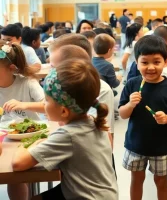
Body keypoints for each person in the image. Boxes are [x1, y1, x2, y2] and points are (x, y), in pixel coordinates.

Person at [12, 60, 118, 200]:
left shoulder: (68, 135)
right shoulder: (95, 120)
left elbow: (18, 164)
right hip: (104, 193)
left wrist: (26, 143)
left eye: (47, 100)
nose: (43, 104)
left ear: (63, 111)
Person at [119, 35, 167, 200]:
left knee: (161, 181)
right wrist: (130, 105)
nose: (150, 67)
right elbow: (122, 114)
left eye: (156, 62)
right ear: (137, 62)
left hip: (160, 146)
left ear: (166, 61)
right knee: (136, 179)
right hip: (135, 144)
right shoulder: (132, 84)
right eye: (145, 62)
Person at [0, 40, 45, 200]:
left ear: (11, 68)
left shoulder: (27, 82)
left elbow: (49, 106)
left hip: (30, 137)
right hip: (3, 140)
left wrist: (24, 104)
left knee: (15, 173)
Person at [49, 34, 115, 135]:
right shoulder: (61, 86)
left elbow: (104, 132)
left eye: (54, 68)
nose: (51, 72)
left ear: (76, 65)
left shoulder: (101, 89)